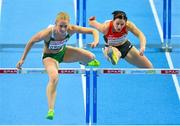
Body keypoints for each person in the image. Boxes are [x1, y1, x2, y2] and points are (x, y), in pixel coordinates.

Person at [16, 12, 100, 120]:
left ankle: (83, 62)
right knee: (54, 77)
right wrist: (22, 59)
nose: (63, 29)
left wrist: (96, 40)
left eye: (65, 26)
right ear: (55, 24)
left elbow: (93, 30)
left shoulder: (71, 29)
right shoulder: (47, 33)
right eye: (61, 26)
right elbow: (31, 41)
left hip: (63, 53)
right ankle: (51, 109)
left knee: (91, 56)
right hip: (49, 57)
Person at [89, 10, 153, 68]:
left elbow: (140, 34)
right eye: (117, 24)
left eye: (122, 24)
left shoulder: (128, 25)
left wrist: (143, 46)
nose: (119, 26)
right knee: (114, 53)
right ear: (113, 21)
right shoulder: (105, 27)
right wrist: (92, 20)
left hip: (125, 45)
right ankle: (114, 56)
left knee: (149, 67)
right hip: (111, 47)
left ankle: (115, 56)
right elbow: (92, 23)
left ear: (125, 22)